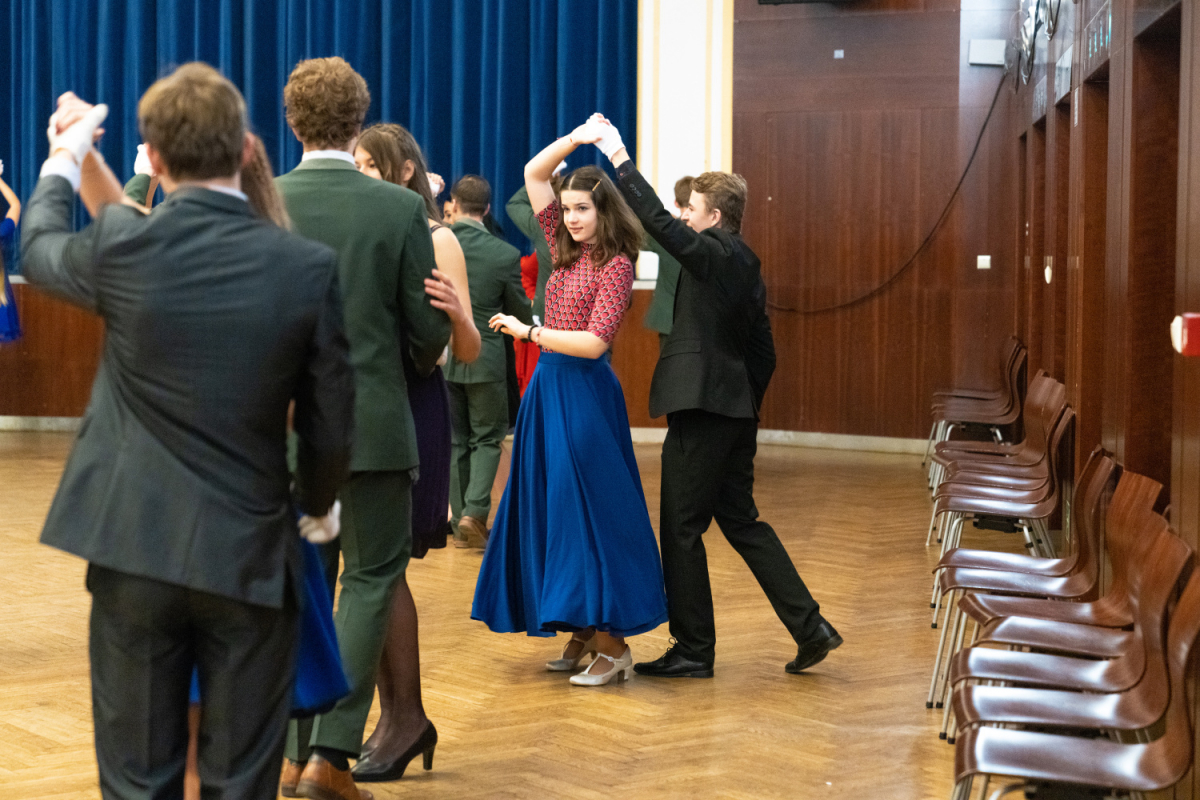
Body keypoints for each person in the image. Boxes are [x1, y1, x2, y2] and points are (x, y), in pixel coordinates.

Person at [21, 66, 355, 800]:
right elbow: (331, 416)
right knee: (241, 781)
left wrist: (66, 155)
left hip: (132, 547)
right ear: (246, 149)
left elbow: (36, 245)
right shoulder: (304, 266)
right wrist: (318, 506)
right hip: (249, 552)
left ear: (158, 160)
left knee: (137, 781)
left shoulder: (124, 247)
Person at [588, 114, 842, 679]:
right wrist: (743, 401)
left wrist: (619, 156)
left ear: (715, 218)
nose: (684, 217)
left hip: (705, 409)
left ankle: (693, 649)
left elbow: (658, 221)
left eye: (692, 209)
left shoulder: (717, 252)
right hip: (732, 409)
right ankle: (811, 627)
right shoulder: (742, 263)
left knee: (680, 527)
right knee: (742, 521)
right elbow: (764, 351)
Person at [276, 57, 452, 800]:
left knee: (303, 589)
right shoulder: (398, 209)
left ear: (292, 121)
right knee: (372, 581)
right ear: (358, 121)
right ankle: (331, 754)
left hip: (286, 435)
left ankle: (291, 755)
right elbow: (426, 334)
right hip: (375, 428)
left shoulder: (264, 202)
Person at [471, 125, 668, 688]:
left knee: (587, 514)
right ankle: (581, 627)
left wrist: (529, 332)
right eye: (568, 208)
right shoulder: (561, 245)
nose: (573, 217)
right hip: (547, 391)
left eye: (584, 208)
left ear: (604, 210)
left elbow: (595, 343)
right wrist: (579, 137)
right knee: (554, 509)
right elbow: (534, 173)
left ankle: (614, 646)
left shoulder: (616, 264)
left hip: (583, 395)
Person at [350, 121, 478, 783]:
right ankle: (396, 717)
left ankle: (405, 717)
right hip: (364, 409)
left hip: (411, 404)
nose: (359, 175)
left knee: (382, 570)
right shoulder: (363, 228)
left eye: (369, 166)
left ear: (404, 171)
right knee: (371, 572)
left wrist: (457, 315)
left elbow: (467, 348)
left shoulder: (439, 237)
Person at [441, 174, 531, 548]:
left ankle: (458, 517)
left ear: (454, 204)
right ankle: (474, 513)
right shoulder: (504, 254)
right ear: (488, 209)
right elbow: (518, 311)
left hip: (444, 356)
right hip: (486, 359)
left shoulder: (434, 242)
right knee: (488, 439)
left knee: (456, 440)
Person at [642, 176, 692, 345]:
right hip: (699, 322)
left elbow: (636, 237)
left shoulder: (666, 232)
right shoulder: (707, 234)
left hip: (667, 320)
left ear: (676, 203)